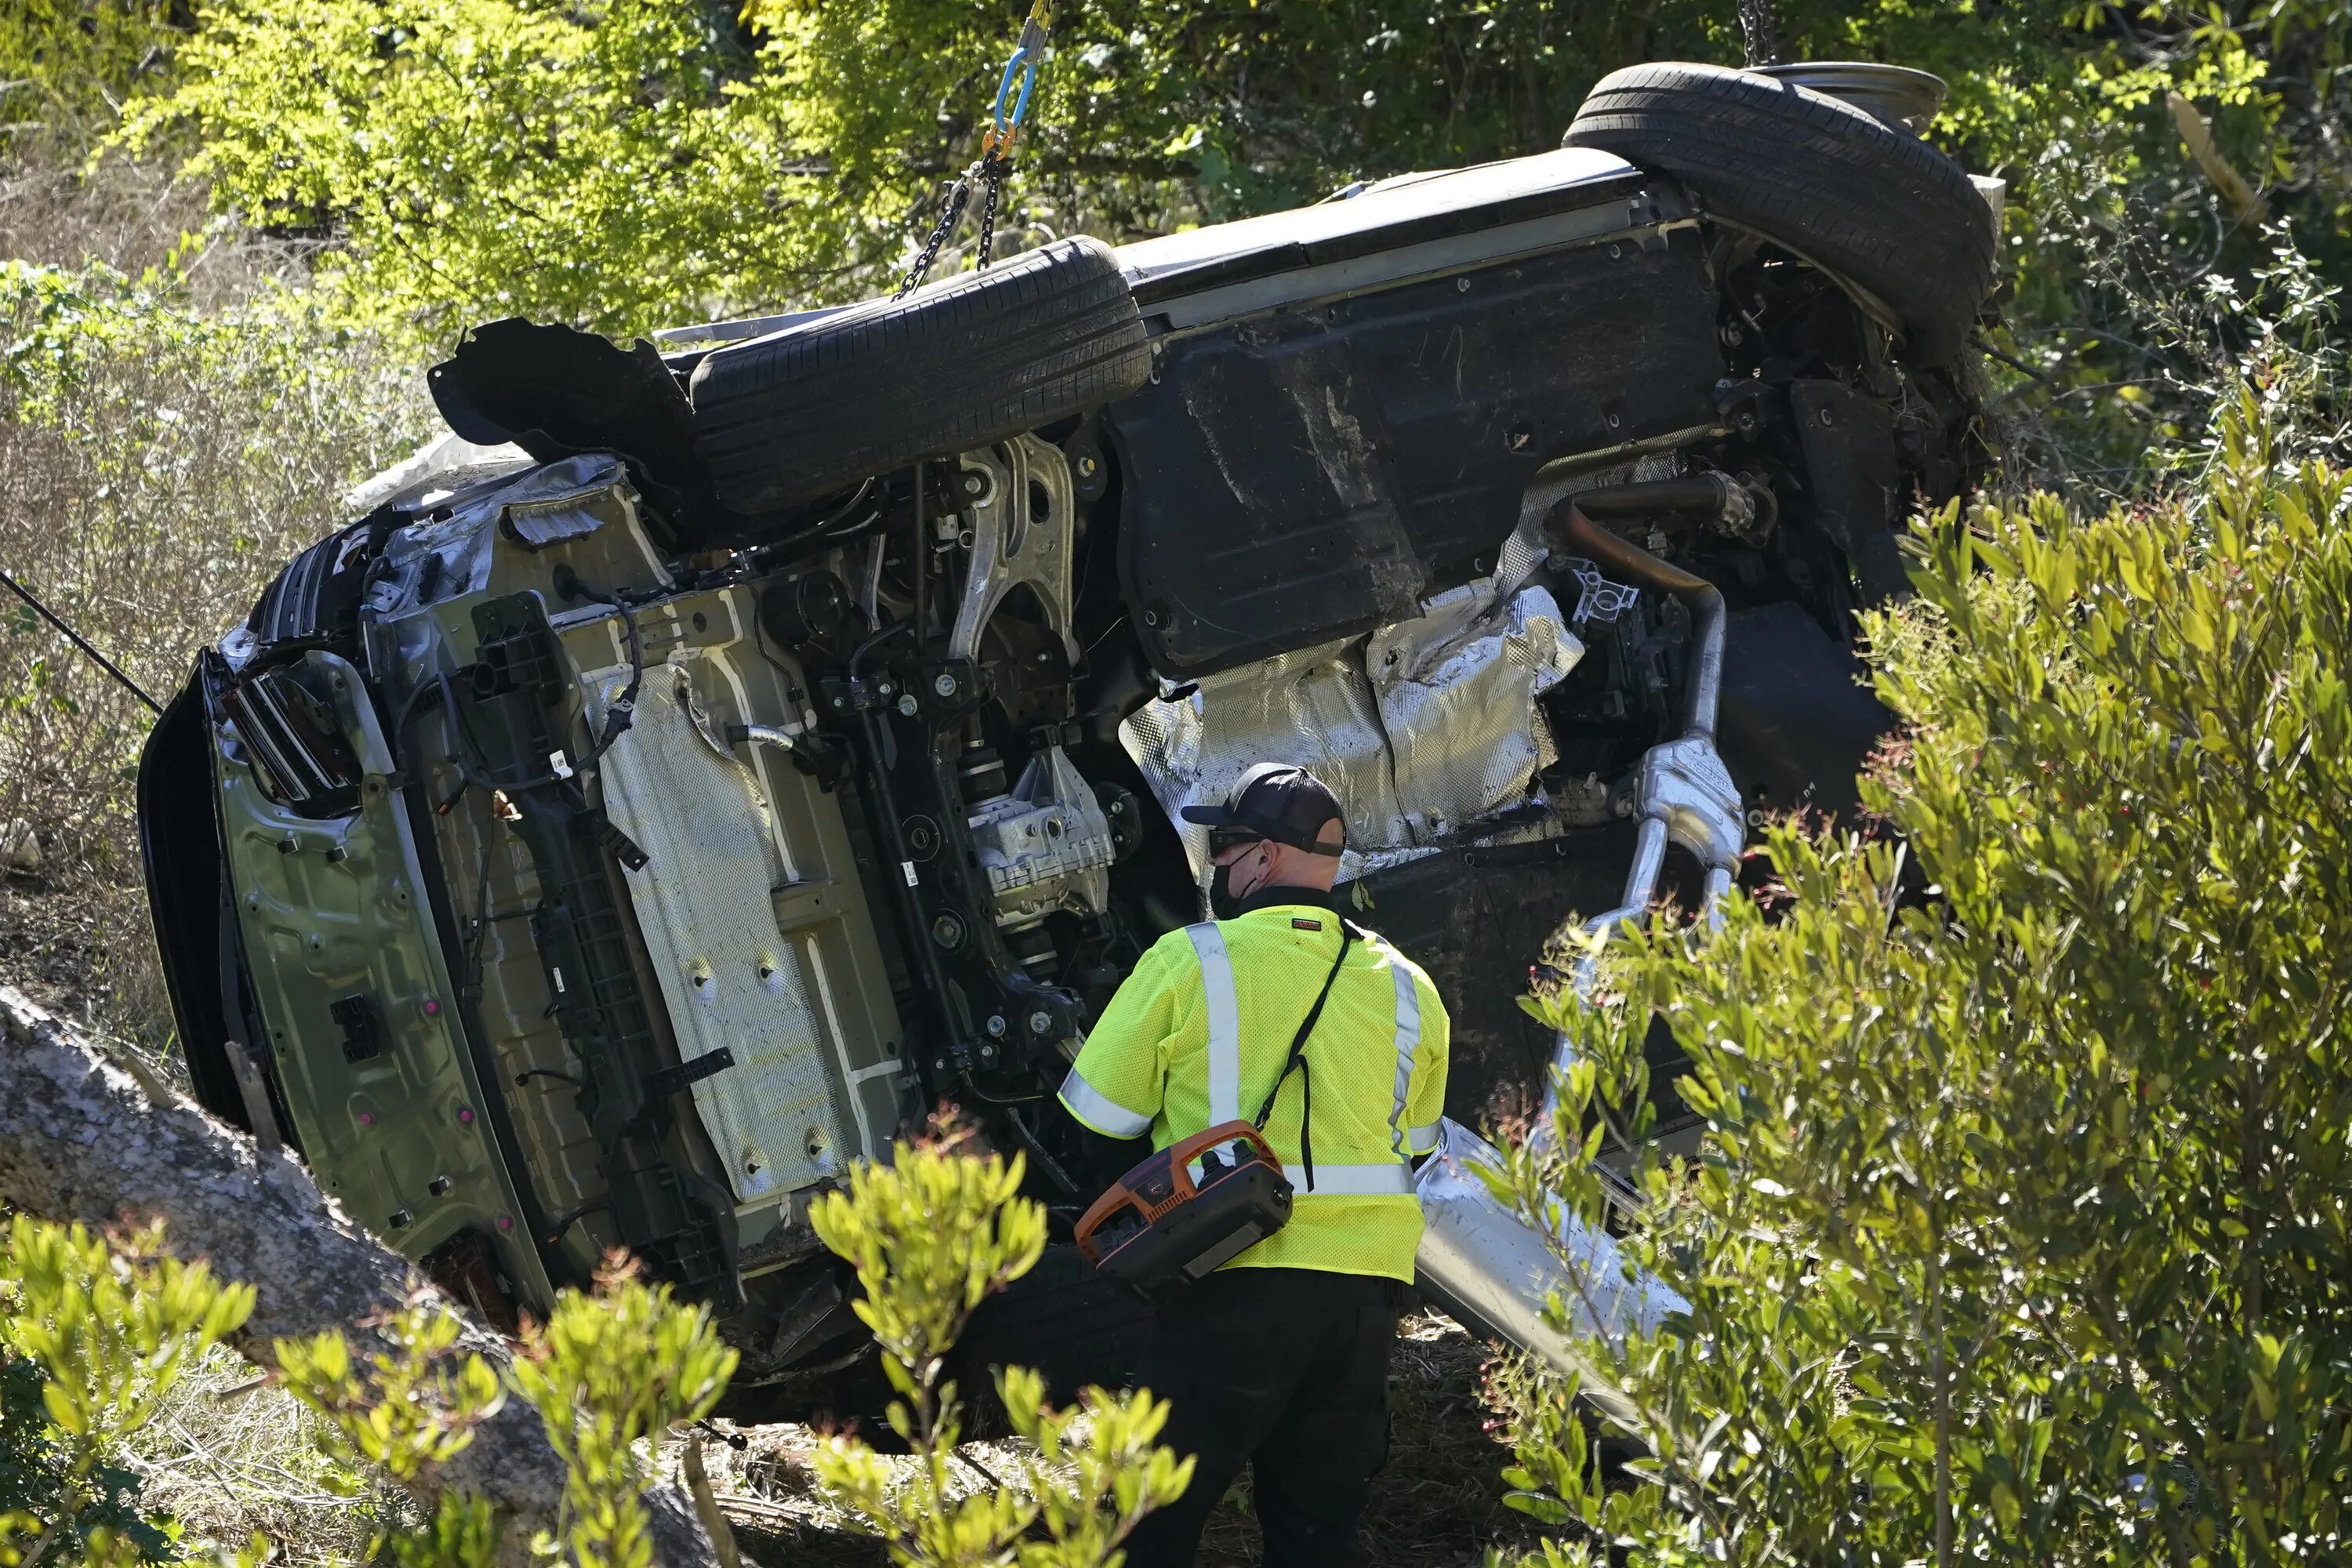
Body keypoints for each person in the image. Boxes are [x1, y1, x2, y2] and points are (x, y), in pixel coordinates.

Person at [1058, 762, 1451, 1567]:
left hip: (1229, 1282)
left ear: (1264, 857)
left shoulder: (1190, 959)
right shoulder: (1410, 987)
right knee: (1317, 1536)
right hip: (1363, 1308)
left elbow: (1095, 1121)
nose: (1218, 867)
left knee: (1139, 1529)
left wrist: (1159, 1234)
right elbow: (1413, 1148)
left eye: (1225, 848)